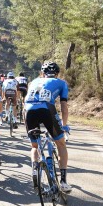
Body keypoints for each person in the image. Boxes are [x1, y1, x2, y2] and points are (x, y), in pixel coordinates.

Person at [25, 61, 72, 192]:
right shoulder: (61, 83)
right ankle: (63, 181)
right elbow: (63, 106)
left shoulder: (33, 81)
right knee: (61, 144)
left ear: (42, 73)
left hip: (28, 110)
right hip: (46, 109)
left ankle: (35, 168)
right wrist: (64, 125)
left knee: (34, 146)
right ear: (57, 73)